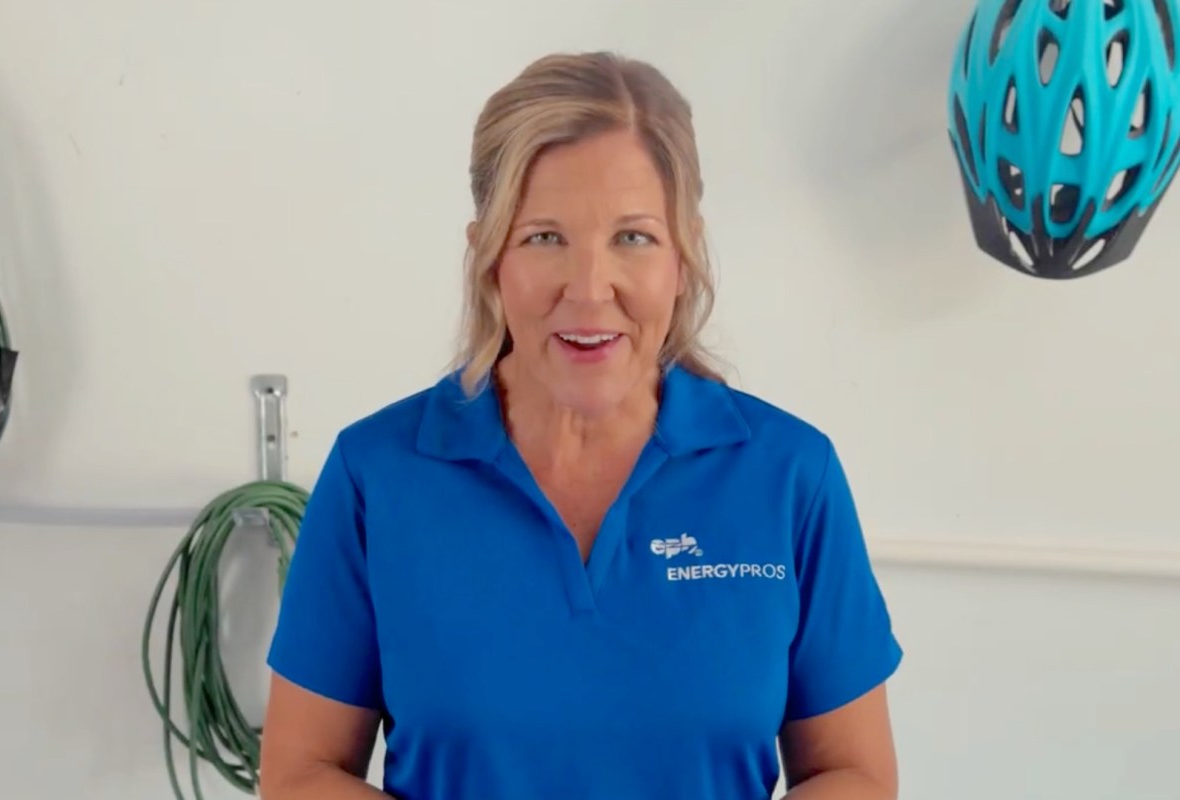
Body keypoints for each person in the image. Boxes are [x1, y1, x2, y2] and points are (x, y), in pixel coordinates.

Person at [259, 51, 903, 800]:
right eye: (544, 237)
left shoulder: (790, 477)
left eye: (633, 237)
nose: (590, 289)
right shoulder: (378, 476)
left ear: (683, 255)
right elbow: (300, 775)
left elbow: (854, 774)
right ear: (488, 257)